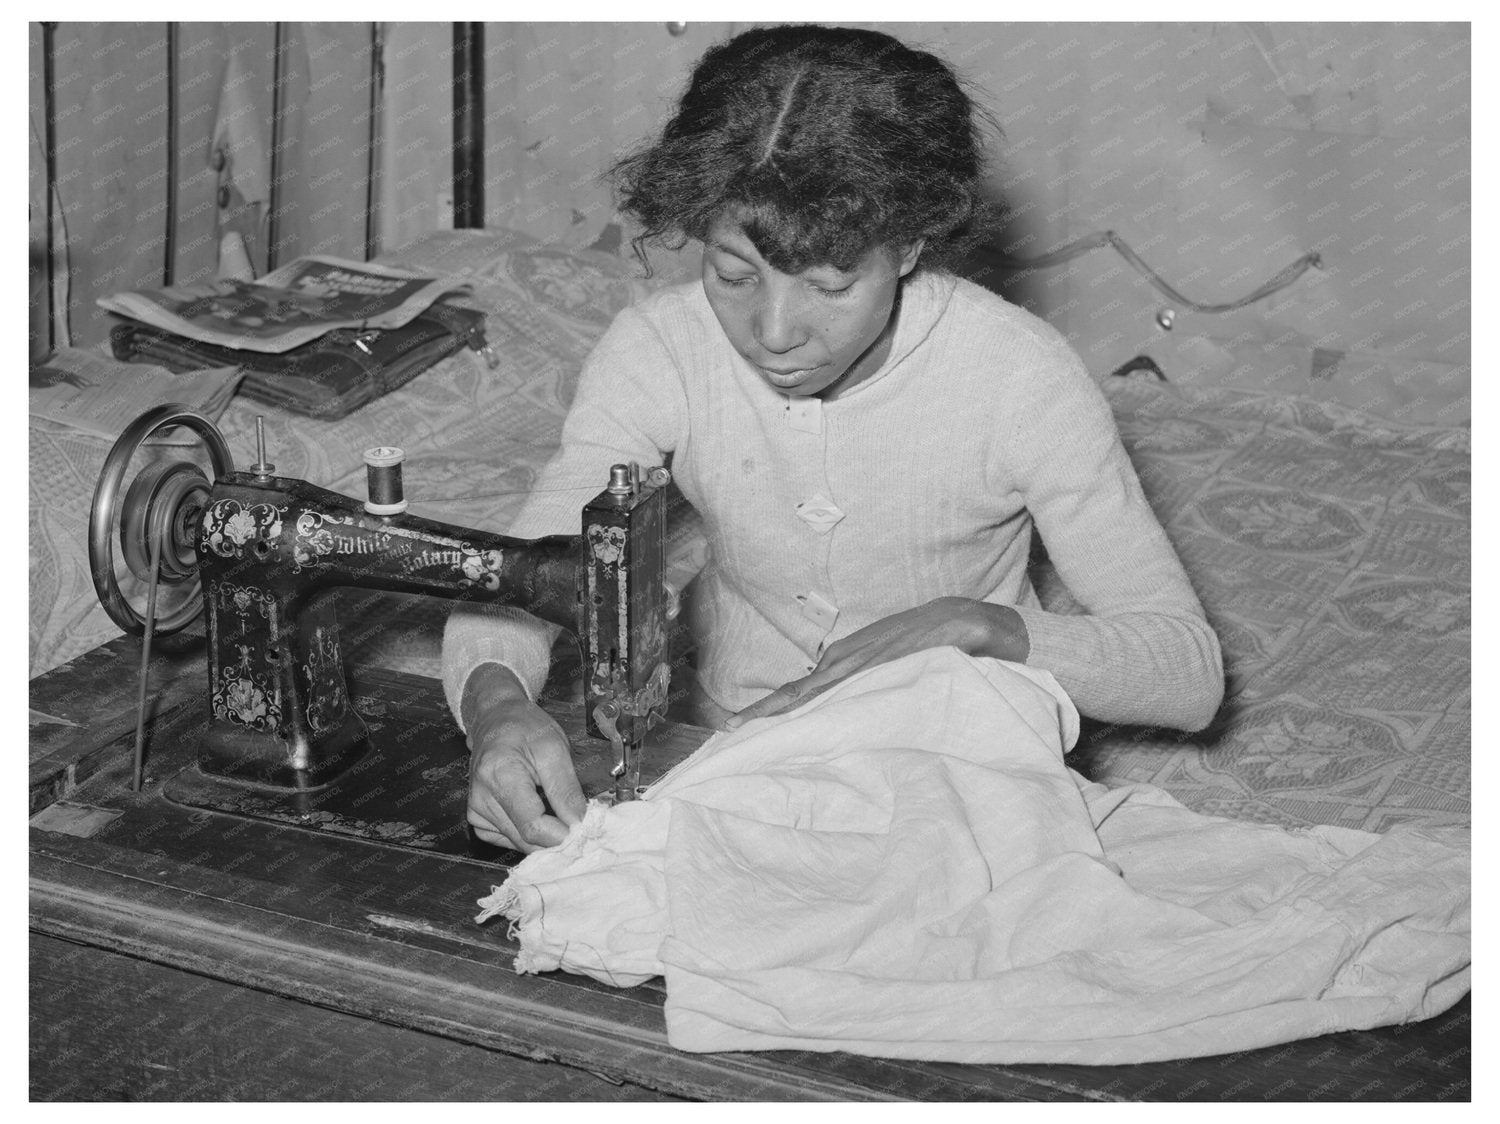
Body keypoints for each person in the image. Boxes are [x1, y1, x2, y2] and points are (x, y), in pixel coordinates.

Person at [444, 24, 1224, 853]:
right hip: (730, 743)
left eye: (831, 284)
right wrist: (496, 707)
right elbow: (529, 569)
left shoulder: (1018, 377)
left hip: (962, 766)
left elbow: (1187, 673)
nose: (774, 332)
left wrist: (981, 627)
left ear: (912, 245)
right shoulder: (662, 349)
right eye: (733, 275)